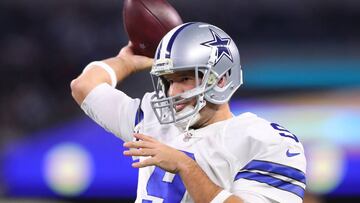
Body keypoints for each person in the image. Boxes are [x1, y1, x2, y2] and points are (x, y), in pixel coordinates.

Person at [71, 22, 306, 203]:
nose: (173, 91)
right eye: (168, 80)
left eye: (184, 78)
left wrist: (186, 166)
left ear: (221, 79)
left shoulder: (264, 141)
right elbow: (84, 87)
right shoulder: (153, 120)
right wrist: (127, 61)